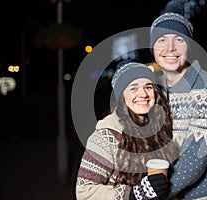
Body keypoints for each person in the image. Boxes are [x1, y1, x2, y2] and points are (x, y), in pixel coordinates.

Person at [149, 2, 207, 200]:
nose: (170, 48)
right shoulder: (156, 89)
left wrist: (149, 195)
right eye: (162, 40)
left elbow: (193, 163)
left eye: (179, 39)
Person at [75, 61, 180, 199]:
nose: (143, 94)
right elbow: (84, 192)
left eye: (148, 87)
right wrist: (132, 195)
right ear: (122, 96)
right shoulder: (106, 136)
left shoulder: (160, 129)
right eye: (133, 88)